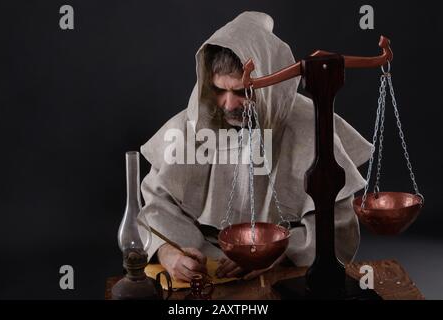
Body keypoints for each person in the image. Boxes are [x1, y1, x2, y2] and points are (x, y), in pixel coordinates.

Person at [137, 11, 371, 282]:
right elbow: (156, 204)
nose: (227, 104)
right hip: (203, 263)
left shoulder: (309, 125)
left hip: (283, 268)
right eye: (218, 90)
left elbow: (337, 220)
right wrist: (169, 252)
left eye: (240, 92)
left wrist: (280, 253)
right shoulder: (193, 124)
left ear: (268, 86)